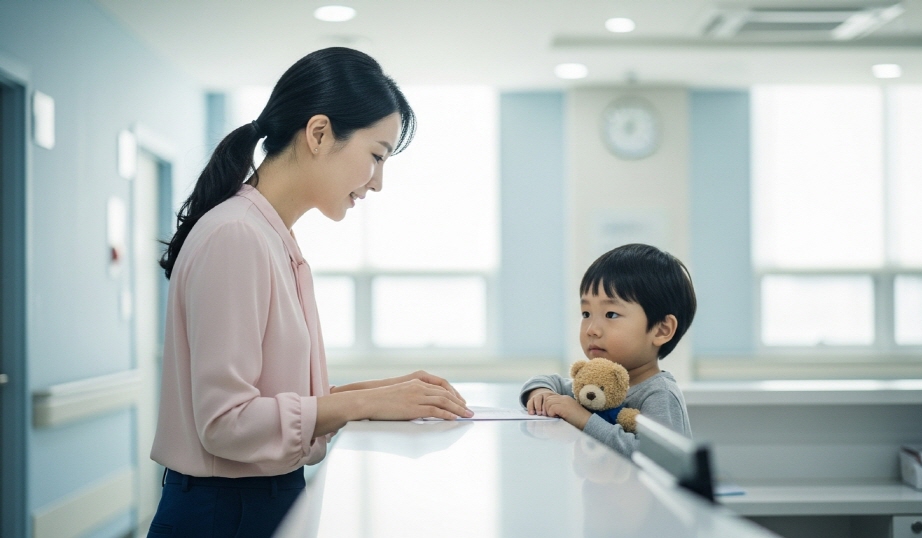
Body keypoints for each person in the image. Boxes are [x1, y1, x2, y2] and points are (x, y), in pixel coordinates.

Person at [147, 47, 473, 537]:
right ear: (319, 133)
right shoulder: (237, 235)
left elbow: (283, 402)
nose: (378, 183)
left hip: (253, 502)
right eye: (376, 156)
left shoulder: (268, 234)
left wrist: (386, 393)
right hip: (226, 512)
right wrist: (363, 405)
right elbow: (227, 423)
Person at [520, 243, 697, 459]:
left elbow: (659, 459)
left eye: (611, 314)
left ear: (662, 330)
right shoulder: (595, 386)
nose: (591, 329)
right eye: (586, 314)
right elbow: (547, 381)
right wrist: (542, 394)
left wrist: (584, 420)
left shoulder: (659, 393)